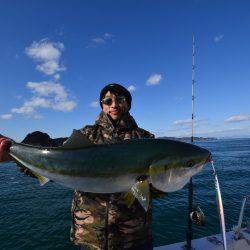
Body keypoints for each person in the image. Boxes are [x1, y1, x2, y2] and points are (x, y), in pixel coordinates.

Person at [0, 83, 163, 250]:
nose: (114, 105)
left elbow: (157, 188)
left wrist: (159, 182)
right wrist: (15, 155)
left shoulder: (145, 139)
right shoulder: (87, 135)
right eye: (108, 100)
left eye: (120, 99)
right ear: (102, 105)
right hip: (90, 236)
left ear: (128, 103)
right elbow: (56, 163)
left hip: (134, 236)